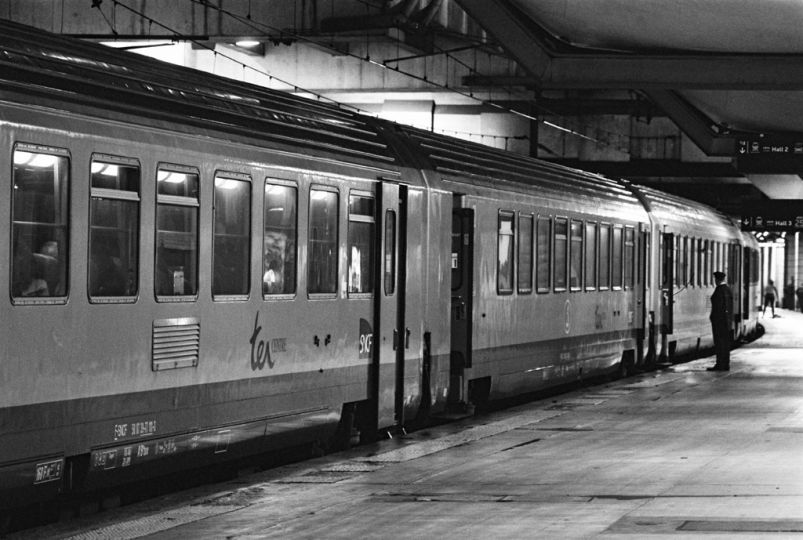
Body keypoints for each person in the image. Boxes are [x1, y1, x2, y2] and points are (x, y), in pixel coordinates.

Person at [708, 271, 733, 372]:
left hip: (719, 322)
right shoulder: (728, 289)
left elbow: (717, 307)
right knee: (726, 344)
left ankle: (720, 364)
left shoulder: (719, 290)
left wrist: (713, 318)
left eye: (715, 279)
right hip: (726, 322)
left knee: (719, 344)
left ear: (717, 279)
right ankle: (725, 364)